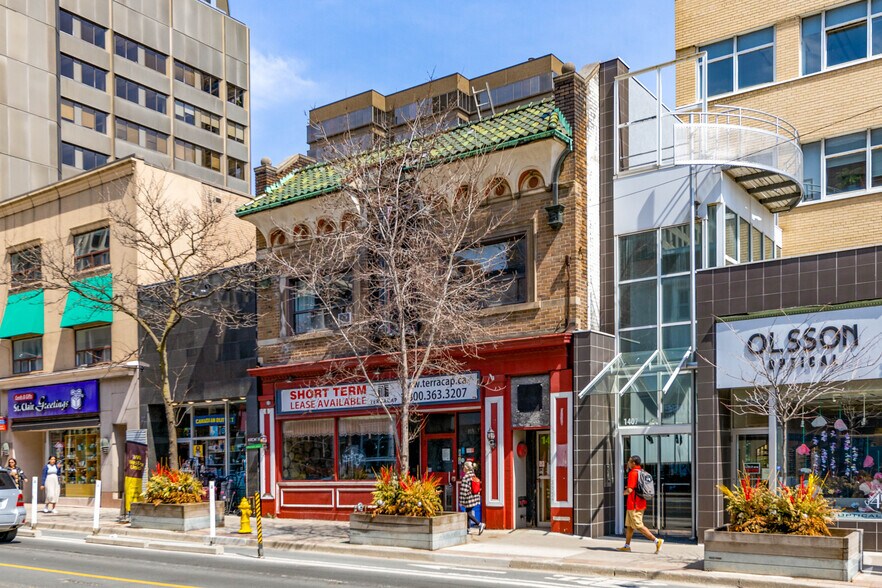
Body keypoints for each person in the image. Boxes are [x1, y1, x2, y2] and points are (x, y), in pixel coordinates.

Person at [618, 455, 663, 553]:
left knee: (638, 525)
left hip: (634, 504)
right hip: (639, 503)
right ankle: (627, 546)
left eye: (629, 461)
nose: (628, 463)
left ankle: (656, 541)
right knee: (630, 526)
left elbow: (629, 490)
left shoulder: (633, 473)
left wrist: (622, 493)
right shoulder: (642, 472)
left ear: (634, 463)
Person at [459, 460, 485, 535]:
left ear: (467, 468)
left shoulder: (466, 477)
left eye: (464, 467)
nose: (463, 468)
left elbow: (463, 491)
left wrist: (461, 501)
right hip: (474, 497)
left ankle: (480, 524)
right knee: (468, 512)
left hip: (468, 499)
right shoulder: (473, 475)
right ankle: (468, 529)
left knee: (468, 513)